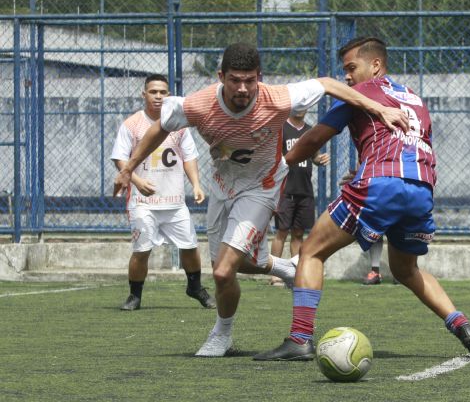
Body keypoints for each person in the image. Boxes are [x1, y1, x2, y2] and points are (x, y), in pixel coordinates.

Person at [113, 42, 408, 357]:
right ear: (221, 76)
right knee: (236, 266)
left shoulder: (277, 97)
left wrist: (378, 108)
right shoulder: (198, 104)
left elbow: (328, 84)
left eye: (250, 80)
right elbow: (160, 127)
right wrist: (129, 167)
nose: (243, 88)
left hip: (263, 185)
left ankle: (221, 335)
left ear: (259, 77)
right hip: (222, 185)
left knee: (224, 272)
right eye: (235, 80)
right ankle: (285, 268)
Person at [254, 37, 470, 361]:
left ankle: (299, 339)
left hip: (381, 185)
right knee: (406, 270)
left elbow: (314, 138)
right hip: (421, 186)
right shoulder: (414, 99)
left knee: (311, 251)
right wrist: (366, 169)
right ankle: (464, 327)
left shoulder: (360, 94)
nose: (348, 78)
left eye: (352, 68)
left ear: (375, 65)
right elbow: (412, 145)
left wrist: (281, 165)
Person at [111, 74, 216, 311]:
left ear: (168, 95)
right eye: (153, 92)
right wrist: (136, 181)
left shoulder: (178, 124)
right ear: (144, 94)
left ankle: (195, 287)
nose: (158, 96)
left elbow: (188, 156)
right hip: (143, 202)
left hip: (175, 201)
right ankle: (135, 296)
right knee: (141, 250)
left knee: (190, 247)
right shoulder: (132, 124)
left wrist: (196, 184)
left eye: (163, 92)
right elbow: (120, 158)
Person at [269, 110, 330, 287]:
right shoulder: (281, 128)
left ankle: (295, 272)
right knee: (281, 232)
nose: (302, 108)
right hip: (285, 189)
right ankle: (275, 274)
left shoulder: (311, 130)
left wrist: (318, 160)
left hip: (305, 190)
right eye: (299, 105)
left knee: (298, 233)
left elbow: (314, 155)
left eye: (306, 106)